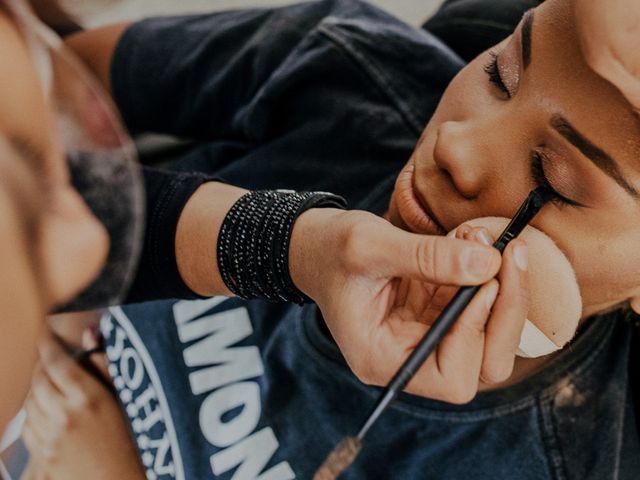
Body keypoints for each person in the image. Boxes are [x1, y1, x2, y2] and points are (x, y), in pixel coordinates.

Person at [18, 0, 640, 478]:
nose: (457, 144)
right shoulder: (347, 72)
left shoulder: (561, 460)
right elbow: (50, 97)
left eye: (550, 179)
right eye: (501, 73)